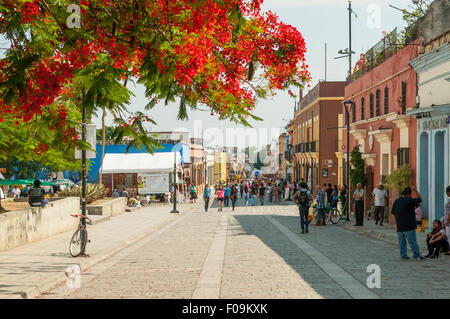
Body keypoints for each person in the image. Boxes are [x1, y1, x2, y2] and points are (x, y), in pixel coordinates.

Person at [391, 187, 426, 260]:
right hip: (409, 226)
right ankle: (416, 255)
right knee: (412, 242)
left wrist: (396, 224)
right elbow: (421, 199)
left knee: (401, 243)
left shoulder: (396, 201)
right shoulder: (409, 200)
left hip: (400, 226)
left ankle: (403, 255)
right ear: (409, 194)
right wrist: (416, 191)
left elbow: (393, 213)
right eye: (411, 194)